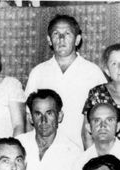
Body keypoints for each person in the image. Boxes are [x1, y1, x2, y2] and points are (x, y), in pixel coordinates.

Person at [25, 14, 106, 148]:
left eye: (67, 34)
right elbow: (29, 117)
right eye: (56, 34)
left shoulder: (93, 72)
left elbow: (101, 117)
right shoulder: (38, 72)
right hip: (45, 149)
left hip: (81, 149)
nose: (61, 39)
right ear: (49, 40)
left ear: (77, 39)